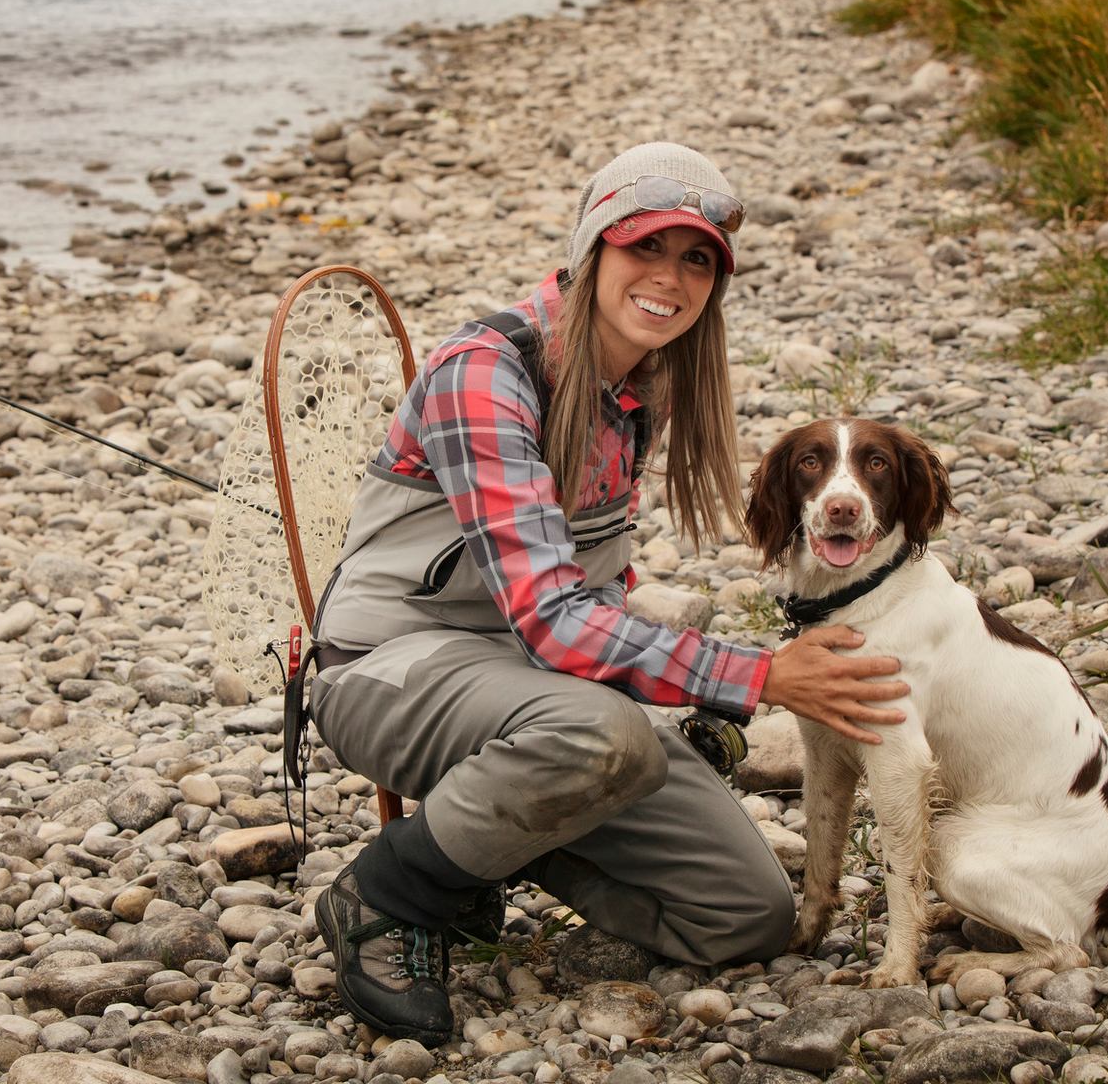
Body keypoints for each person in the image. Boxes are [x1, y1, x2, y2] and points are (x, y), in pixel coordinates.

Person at [305, 142, 908, 1044]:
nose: (671, 277)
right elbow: (551, 618)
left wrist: (654, 717)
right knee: (602, 734)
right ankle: (389, 896)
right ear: (593, 248)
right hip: (390, 671)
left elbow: (592, 590)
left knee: (745, 915)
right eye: (645, 247)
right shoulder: (485, 371)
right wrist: (757, 679)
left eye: (696, 257)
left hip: (533, 689)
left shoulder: (645, 386)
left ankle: (489, 847)